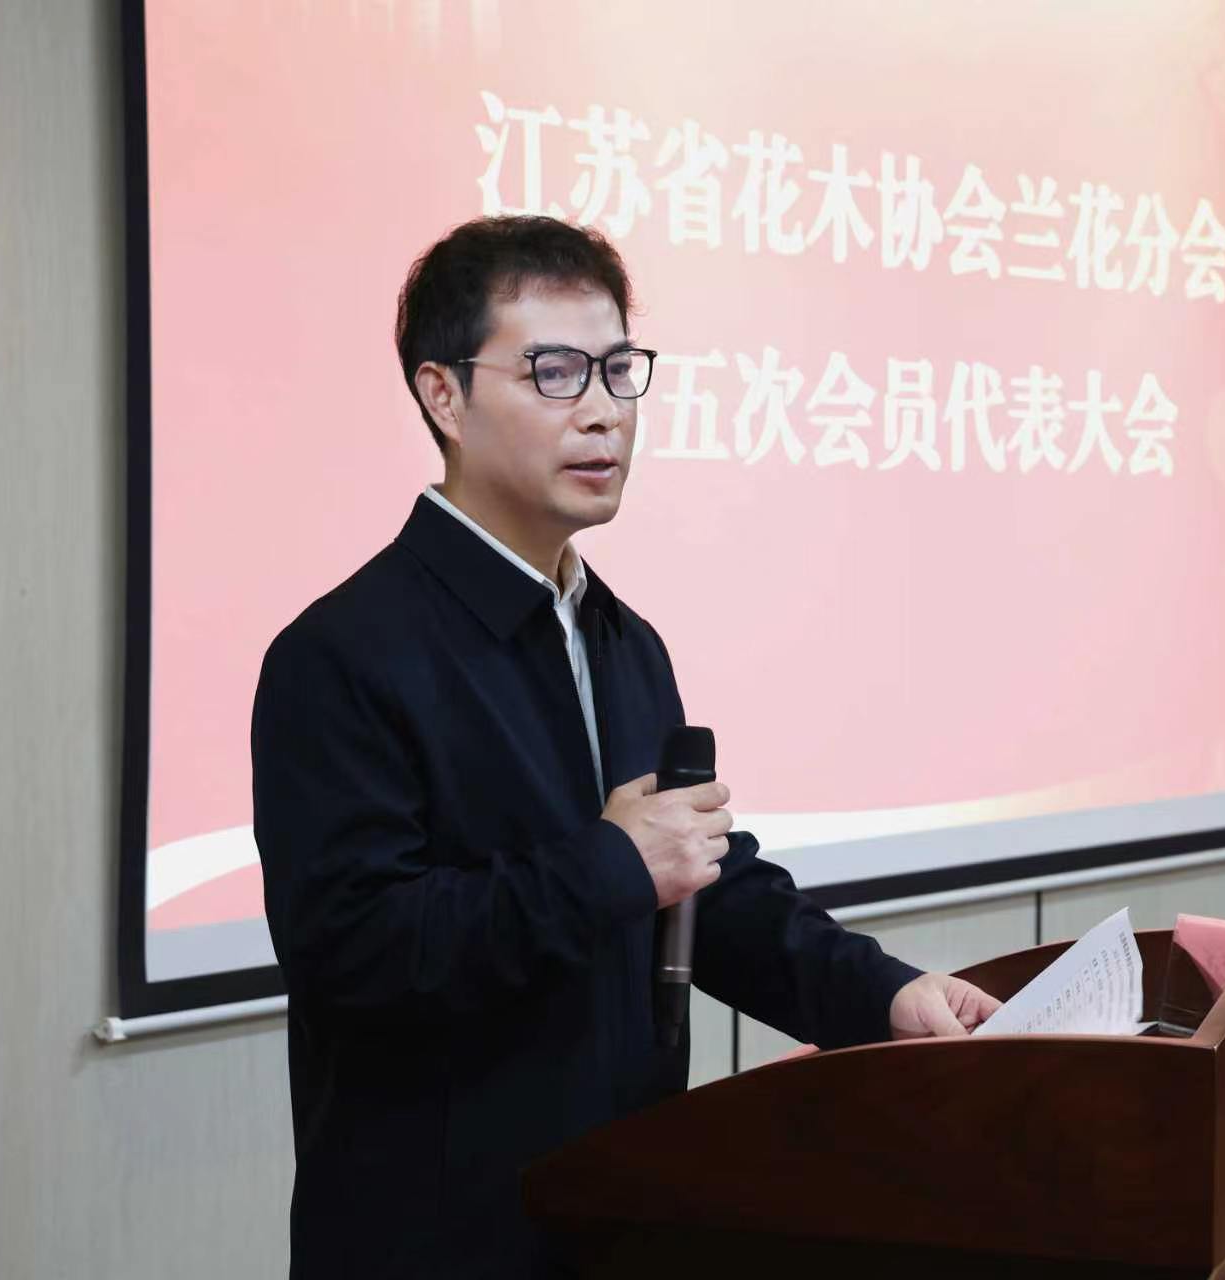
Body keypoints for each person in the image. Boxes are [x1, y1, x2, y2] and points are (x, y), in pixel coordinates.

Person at [251, 214, 1002, 1278]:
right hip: (440, 1240)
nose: (603, 409)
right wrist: (610, 864)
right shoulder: (340, 655)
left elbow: (699, 886)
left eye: (617, 370)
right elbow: (358, 953)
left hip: (622, 1212)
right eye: (554, 372)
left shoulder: (621, 640)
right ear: (443, 396)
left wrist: (881, 993)